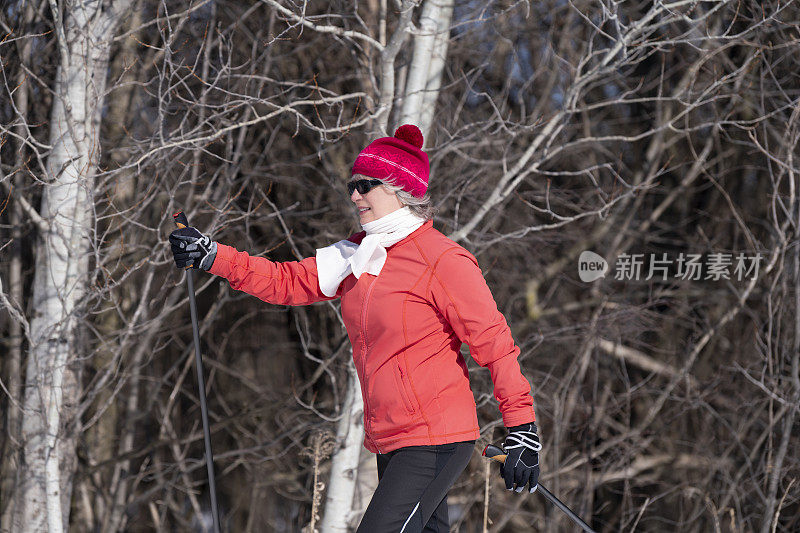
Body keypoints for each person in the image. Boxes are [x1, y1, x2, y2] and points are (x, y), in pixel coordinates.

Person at [169, 124, 542, 532]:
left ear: (400, 189)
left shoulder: (442, 260)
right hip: (392, 437)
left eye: (366, 185)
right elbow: (286, 281)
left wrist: (521, 428)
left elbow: (493, 342)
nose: (354, 195)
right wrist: (213, 256)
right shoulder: (357, 253)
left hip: (434, 437)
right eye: (353, 185)